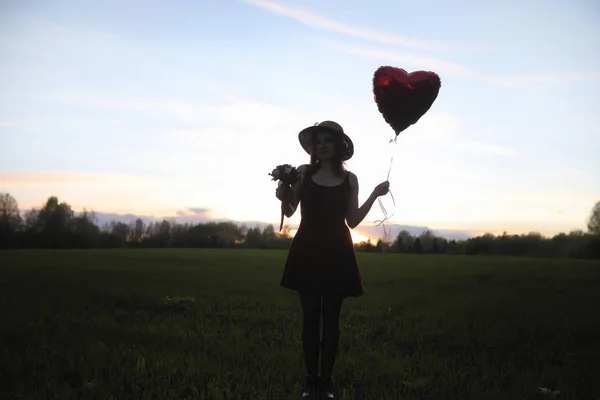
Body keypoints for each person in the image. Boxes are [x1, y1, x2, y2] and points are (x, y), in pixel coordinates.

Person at [275, 120, 390, 399]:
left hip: (337, 251)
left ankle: (326, 384)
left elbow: (352, 220)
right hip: (308, 249)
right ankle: (310, 381)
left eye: (328, 140)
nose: (322, 145)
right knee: (310, 318)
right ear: (312, 147)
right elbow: (290, 211)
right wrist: (282, 195)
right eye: (318, 141)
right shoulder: (303, 173)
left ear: (338, 146)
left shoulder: (350, 179)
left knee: (332, 319)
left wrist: (375, 194)